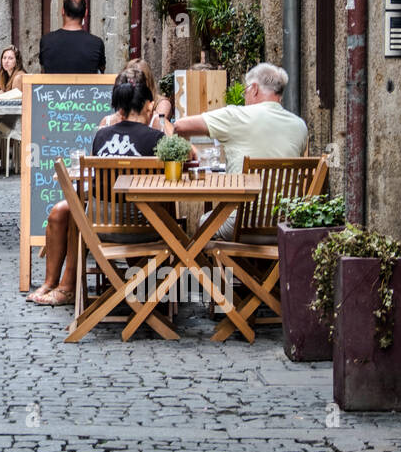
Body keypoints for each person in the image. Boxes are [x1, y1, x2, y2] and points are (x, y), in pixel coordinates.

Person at [27, 78, 165, 306]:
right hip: (145, 228)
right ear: (148, 105)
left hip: (100, 229)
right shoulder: (157, 139)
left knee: (74, 210)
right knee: (69, 211)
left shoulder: (102, 136)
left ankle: (64, 286)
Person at [173, 62, 309, 239]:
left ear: (253, 89)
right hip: (285, 226)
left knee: (204, 222)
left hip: (240, 223)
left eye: (245, 90)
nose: (245, 95)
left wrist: (189, 148)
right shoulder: (300, 126)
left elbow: (179, 126)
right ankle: (253, 268)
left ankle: (219, 267)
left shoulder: (237, 116)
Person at [38, 0, 106, 74]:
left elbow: (43, 69)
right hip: (86, 87)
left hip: (54, 87)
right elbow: (102, 70)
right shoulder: (97, 43)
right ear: (86, 13)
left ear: (63, 11)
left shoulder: (46, 41)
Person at [100, 58, 173, 131]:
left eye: (137, 81)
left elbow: (159, 128)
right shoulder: (110, 118)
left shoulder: (161, 104)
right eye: (128, 80)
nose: (132, 85)